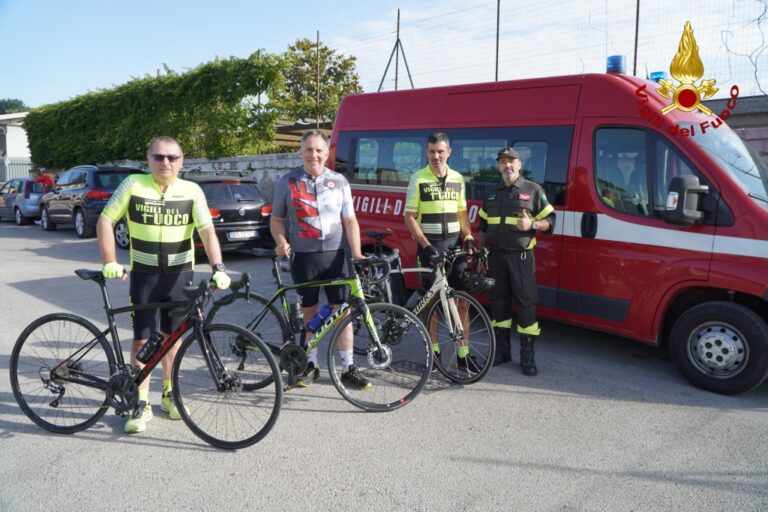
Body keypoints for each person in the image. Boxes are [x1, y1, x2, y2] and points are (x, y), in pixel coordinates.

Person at [96, 136, 231, 433]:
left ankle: (170, 393)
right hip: (144, 275)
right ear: (148, 159)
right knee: (142, 339)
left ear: (182, 161)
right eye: (159, 157)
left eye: (172, 157)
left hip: (180, 275)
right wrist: (110, 260)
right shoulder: (133, 184)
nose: (165, 162)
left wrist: (218, 266)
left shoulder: (192, 190)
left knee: (173, 338)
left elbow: (207, 230)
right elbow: (105, 220)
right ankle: (140, 400)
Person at [270, 129, 369, 389]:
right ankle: (311, 364)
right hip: (303, 257)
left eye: (318, 150)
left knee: (342, 311)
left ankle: (348, 367)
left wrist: (357, 253)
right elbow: (277, 219)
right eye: (309, 150)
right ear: (301, 152)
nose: (313, 155)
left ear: (326, 153)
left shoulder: (339, 181)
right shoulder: (287, 182)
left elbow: (350, 220)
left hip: (336, 255)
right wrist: (281, 242)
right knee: (309, 311)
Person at [403, 132, 478, 371]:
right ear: (427, 152)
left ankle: (463, 353)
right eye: (432, 151)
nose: (436, 156)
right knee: (433, 302)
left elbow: (462, 213)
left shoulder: (458, 178)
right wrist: (426, 246)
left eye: (440, 151)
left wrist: (468, 237)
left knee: (461, 302)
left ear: (449, 152)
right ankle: (433, 352)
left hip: (454, 246)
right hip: (430, 246)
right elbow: (409, 217)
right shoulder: (418, 179)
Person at [478, 147, 555, 376]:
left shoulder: (532, 190)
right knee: (498, 302)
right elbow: (483, 227)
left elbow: (550, 221)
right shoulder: (492, 193)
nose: (507, 165)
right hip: (496, 257)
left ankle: (527, 356)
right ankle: (502, 351)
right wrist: (482, 254)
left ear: (519, 165)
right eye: (503, 162)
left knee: (526, 305)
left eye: (511, 161)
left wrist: (531, 225)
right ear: (499, 165)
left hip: (521, 258)